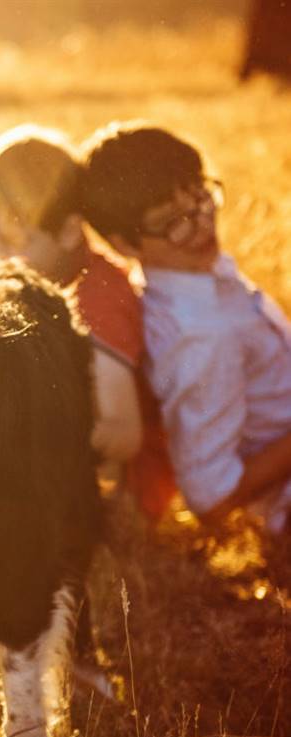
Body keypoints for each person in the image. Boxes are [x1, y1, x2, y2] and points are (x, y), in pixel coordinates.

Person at [81, 121, 291, 537]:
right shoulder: (198, 335)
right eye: (173, 221)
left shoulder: (198, 278)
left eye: (200, 195)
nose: (201, 224)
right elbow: (210, 496)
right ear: (125, 245)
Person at [0, 124, 176, 522]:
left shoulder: (97, 300)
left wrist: (32, 443)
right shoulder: (40, 282)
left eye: (14, 242)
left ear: (68, 231)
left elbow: (123, 433)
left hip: (127, 490)